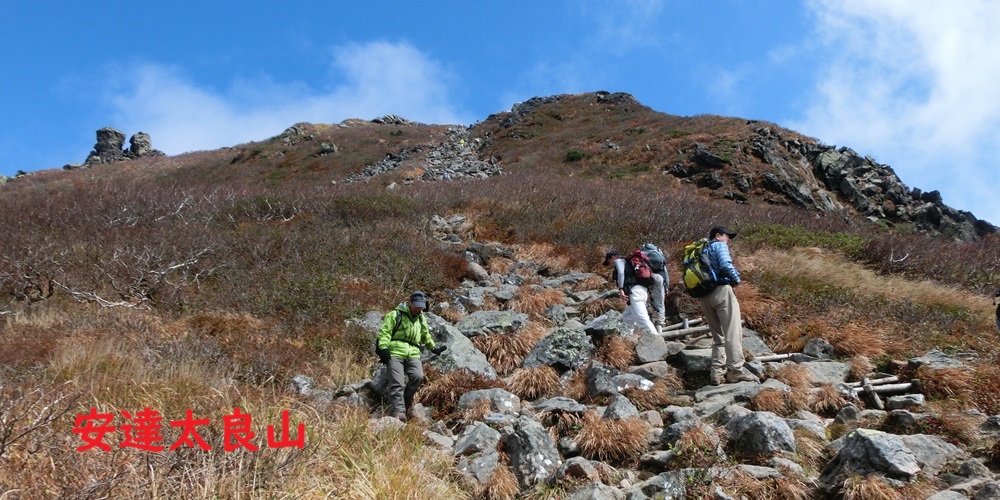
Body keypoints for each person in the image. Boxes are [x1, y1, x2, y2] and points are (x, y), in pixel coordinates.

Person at [376, 290, 446, 420]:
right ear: (410, 302)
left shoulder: (421, 318)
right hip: (395, 351)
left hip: (413, 352)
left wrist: (433, 348)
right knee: (397, 382)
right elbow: (384, 333)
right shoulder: (395, 315)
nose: (419, 309)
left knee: (418, 377)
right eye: (417, 305)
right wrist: (384, 348)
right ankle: (398, 411)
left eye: (421, 306)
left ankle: (405, 403)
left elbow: (425, 335)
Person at [700, 227, 755, 385]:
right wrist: (736, 279)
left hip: (704, 295)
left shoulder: (702, 249)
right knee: (732, 331)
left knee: (718, 336)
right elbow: (725, 264)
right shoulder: (719, 245)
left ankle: (716, 373)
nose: (729, 240)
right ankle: (735, 371)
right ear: (717, 236)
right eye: (727, 236)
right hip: (721, 291)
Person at [603, 249, 657, 336]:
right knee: (627, 317)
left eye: (609, 261)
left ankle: (656, 339)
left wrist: (621, 289)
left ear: (613, 257)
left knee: (641, 318)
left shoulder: (619, 261)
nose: (610, 264)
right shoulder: (628, 263)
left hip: (635, 292)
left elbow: (621, 273)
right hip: (641, 291)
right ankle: (628, 337)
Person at [641, 243, 669, 333]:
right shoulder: (659, 253)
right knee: (660, 301)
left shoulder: (642, 253)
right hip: (659, 278)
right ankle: (661, 322)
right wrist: (666, 285)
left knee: (645, 299)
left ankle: (648, 318)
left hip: (646, 277)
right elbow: (665, 272)